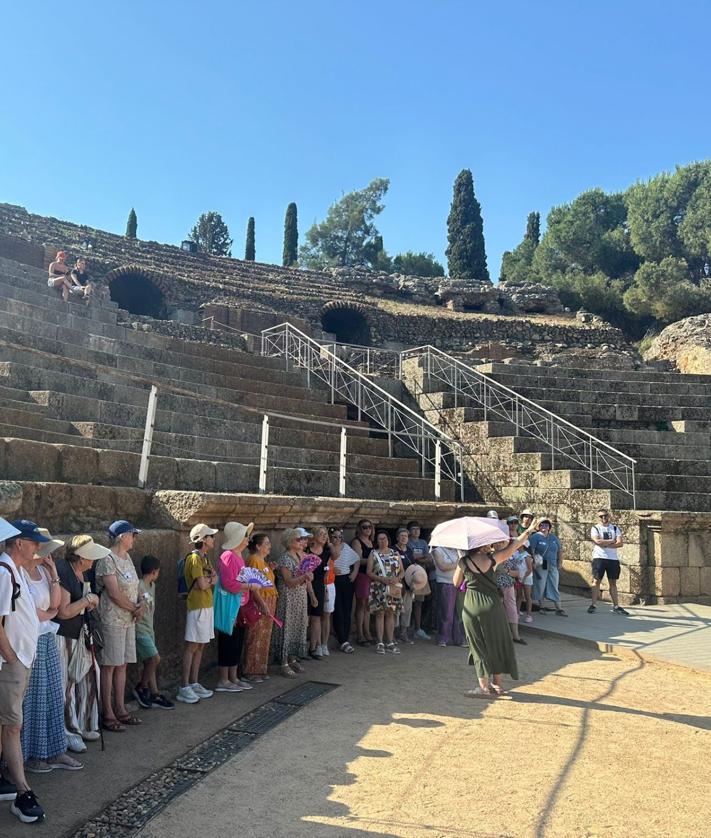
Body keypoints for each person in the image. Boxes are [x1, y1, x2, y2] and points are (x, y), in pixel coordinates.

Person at [453, 517, 540, 699]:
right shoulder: (493, 559)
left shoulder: (464, 561)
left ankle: (483, 687)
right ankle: (498, 685)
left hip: (472, 605)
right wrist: (529, 530)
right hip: (492, 605)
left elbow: (456, 583)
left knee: (478, 646)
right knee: (496, 643)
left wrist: (461, 561)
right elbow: (514, 546)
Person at [21, 529, 83, 773]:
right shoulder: (19, 573)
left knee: (53, 695)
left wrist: (54, 573)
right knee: (34, 699)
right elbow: (29, 610)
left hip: (47, 636)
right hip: (31, 639)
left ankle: (54, 751)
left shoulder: (45, 572)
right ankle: (35, 754)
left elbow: (56, 605)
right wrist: (48, 613)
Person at [0, 519, 45, 823]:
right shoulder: (5, 573)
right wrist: (12, 657)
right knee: (13, 725)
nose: (38, 547)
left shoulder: (12, 571)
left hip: (17, 661)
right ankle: (23, 792)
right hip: (11, 663)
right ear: (19, 543)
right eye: (33, 541)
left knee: (6, 722)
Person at [54, 535, 105, 751]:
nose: (93, 560)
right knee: (67, 685)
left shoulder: (81, 572)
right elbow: (64, 611)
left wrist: (91, 601)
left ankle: (85, 723)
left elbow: (83, 603)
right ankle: (69, 732)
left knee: (92, 675)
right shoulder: (64, 571)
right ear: (81, 556)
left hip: (80, 635)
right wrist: (86, 601)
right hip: (64, 635)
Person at [95, 520, 144, 731]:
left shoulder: (127, 557)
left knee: (122, 664)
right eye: (133, 534)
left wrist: (140, 603)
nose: (134, 538)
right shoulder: (107, 559)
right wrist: (134, 607)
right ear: (123, 536)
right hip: (112, 620)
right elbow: (113, 593)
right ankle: (108, 713)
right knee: (109, 666)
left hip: (127, 619)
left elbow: (133, 585)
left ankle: (120, 708)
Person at [216, 521, 263, 693]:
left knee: (236, 641)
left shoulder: (237, 556)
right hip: (231, 605)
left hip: (239, 604)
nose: (247, 539)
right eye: (245, 536)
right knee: (228, 641)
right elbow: (229, 583)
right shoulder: (229, 556)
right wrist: (250, 586)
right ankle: (223, 679)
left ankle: (233, 677)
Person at [178, 523, 218, 704]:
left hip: (206, 605)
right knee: (192, 646)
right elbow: (203, 584)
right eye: (210, 536)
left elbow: (213, 579)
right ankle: (184, 686)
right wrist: (210, 580)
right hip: (197, 606)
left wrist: (208, 580)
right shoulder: (194, 559)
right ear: (203, 540)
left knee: (201, 645)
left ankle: (194, 682)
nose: (213, 539)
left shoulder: (205, 558)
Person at [132, 556, 174, 710]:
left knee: (149, 662)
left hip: (150, 629)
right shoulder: (139, 585)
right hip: (140, 629)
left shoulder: (152, 586)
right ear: (154, 571)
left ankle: (154, 693)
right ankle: (141, 686)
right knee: (155, 659)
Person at [271, 528, 312, 677]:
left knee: (298, 626)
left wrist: (309, 581)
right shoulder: (285, 559)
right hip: (288, 597)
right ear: (289, 542)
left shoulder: (301, 556)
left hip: (300, 597)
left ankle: (293, 658)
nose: (301, 542)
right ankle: (283, 662)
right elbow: (288, 581)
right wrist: (303, 577)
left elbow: (308, 576)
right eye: (298, 539)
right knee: (286, 628)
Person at [243, 533, 277, 682]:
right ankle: (250, 670)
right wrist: (262, 603)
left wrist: (270, 569)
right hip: (260, 601)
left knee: (264, 637)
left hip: (269, 599)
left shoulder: (262, 561)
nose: (269, 546)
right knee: (255, 635)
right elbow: (253, 586)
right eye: (266, 543)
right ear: (258, 546)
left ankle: (260, 669)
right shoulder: (253, 560)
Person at [366, 531, 404, 654]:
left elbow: (402, 571)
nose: (382, 541)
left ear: (388, 539)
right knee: (380, 614)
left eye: (384, 538)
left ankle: (390, 642)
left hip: (393, 587)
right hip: (379, 586)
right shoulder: (373, 553)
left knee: (391, 614)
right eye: (379, 539)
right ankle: (380, 642)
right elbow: (369, 572)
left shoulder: (395, 553)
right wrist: (381, 579)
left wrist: (397, 579)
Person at [589, 509, 629, 615]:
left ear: (608, 516)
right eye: (601, 516)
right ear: (598, 518)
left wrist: (605, 544)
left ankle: (616, 606)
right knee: (596, 581)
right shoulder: (595, 528)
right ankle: (593, 605)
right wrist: (612, 541)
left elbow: (620, 543)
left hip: (612, 559)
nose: (603, 518)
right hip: (599, 558)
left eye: (605, 516)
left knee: (613, 583)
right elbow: (597, 541)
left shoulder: (615, 528)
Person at [330, 527, 360, 654]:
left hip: (346, 580)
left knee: (347, 609)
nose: (338, 539)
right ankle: (342, 639)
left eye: (340, 537)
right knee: (338, 610)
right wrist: (331, 570)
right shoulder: (329, 549)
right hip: (333, 581)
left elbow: (357, 559)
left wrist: (354, 573)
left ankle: (345, 638)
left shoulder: (346, 547)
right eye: (335, 537)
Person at [529, 519, 567, 616]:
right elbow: (532, 550)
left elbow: (560, 550)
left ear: (549, 527)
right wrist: (533, 561)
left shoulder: (553, 537)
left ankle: (558, 607)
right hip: (542, 563)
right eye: (542, 525)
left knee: (554, 584)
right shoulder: (535, 537)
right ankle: (542, 606)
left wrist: (560, 562)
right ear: (538, 526)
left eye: (546, 525)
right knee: (541, 584)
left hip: (553, 563)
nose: (544, 527)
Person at [493, 539, 526, 645]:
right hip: (494, 587)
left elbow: (517, 573)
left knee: (511, 609)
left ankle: (515, 635)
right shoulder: (490, 557)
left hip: (508, 585)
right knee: (497, 610)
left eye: (501, 542)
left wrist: (506, 571)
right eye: (497, 542)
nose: (498, 544)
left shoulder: (509, 556)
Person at [432, 544, 464, 647]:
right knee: (447, 612)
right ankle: (443, 638)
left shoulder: (458, 551)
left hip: (459, 584)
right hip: (445, 583)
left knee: (458, 612)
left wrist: (459, 562)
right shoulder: (438, 550)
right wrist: (458, 564)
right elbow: (442, 566)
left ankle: (458, 639)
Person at [407, 521, 433, 640]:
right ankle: (406, 628)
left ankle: (417, 628)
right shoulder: (406, 541)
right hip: (409, 573)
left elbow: (429, 558)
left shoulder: (423, 542)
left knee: (419, 602)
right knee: (407, 603)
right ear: (409, 531)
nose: (416, 531)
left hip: (421, 575)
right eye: (413, 529)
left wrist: (419, 559)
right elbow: (410, 557)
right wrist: (420, 558)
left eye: (418, 529)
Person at [307, 526, 330, 660]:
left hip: (319, 586)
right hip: (305, 585)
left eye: (325, 534)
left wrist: (325, 589)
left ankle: (314, 647)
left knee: (317, 617)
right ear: (314, 535)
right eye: (321, 534)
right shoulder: (306, 551)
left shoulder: (326, 552)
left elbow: (326, 573)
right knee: (306, 618)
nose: (324, 536)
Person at [351, 520, 374, 645]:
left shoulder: (372, 542)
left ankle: (367, 631)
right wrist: (374, 560)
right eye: (365, 527)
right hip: (362, 575)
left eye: (370, 527)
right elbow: (358, 559)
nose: (368, 529)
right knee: (361, 604)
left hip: (372, 576)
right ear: (360, 528)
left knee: (368, 606)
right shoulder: (356, 541)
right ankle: (360, 633)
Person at [509, 516, 534, 624]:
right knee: (518, 595)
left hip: (525, 576)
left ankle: (528, 614)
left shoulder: (526, 555)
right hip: (517, 573)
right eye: (511, 522)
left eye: (515, 522)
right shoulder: (518, 554)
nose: (513, 524)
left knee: (527, 596)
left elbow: (529, 569)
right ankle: (517, 612)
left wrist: (523, 577)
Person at [393, 528, 414, 644]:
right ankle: (394, 634)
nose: (404, 538)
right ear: (397, 537)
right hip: (397, 584)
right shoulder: (392, 550)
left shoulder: (410, 551)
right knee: (396, 610)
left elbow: (413, 567)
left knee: (407, 610)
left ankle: (403, 634)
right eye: (401, 536)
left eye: (406, 536)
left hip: (408, 585)